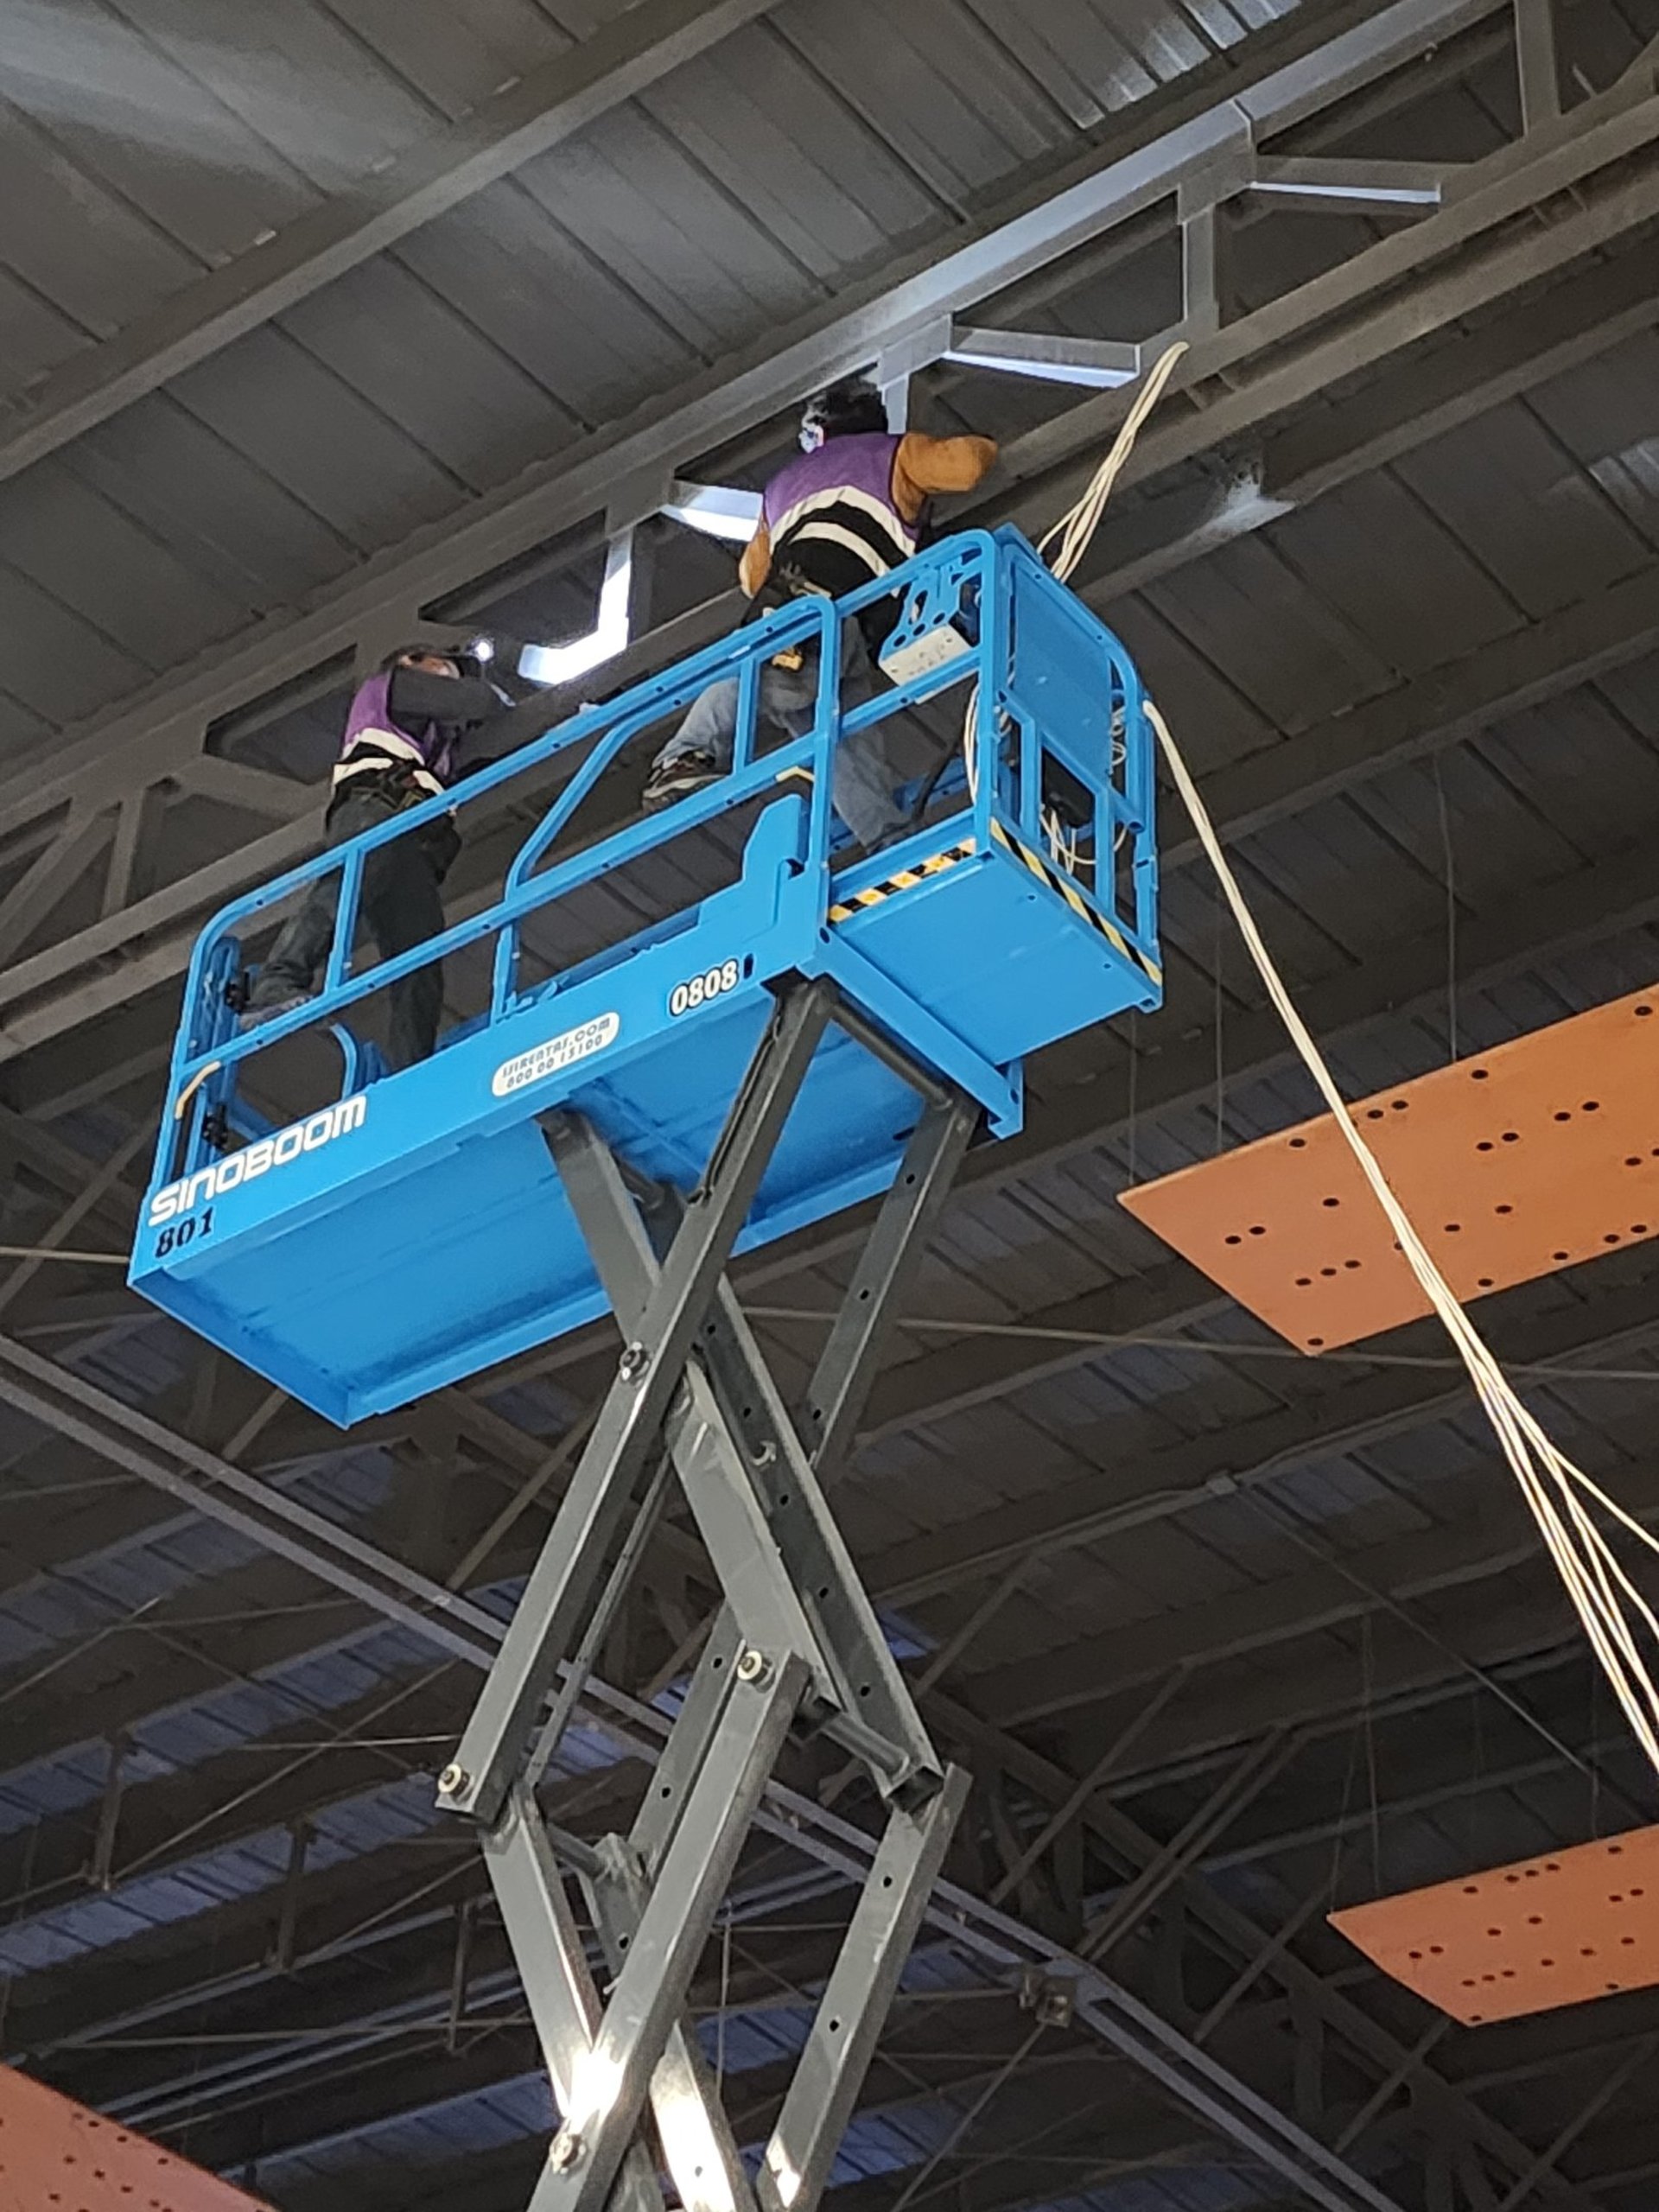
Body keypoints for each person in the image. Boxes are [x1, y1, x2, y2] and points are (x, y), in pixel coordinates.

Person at [642, 379, 997, 847]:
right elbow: (968, 466)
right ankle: (681, 757)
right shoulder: (892, 453)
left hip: (808, 610)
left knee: (839, 737)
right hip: (839, 617)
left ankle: (887, 835)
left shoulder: (780, 488)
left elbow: (751, 576)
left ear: (819, 434)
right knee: (787, 697)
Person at [243, 645, 506, 1069]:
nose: (451, 678)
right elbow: (481, 702)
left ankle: (411, 1069)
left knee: (419, 959)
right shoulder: (394, 688)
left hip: (410, 845)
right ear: (409, 663)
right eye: (444, 668)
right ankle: (278, 981)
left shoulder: (435, 749)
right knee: (342, 892)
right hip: (374, 810)